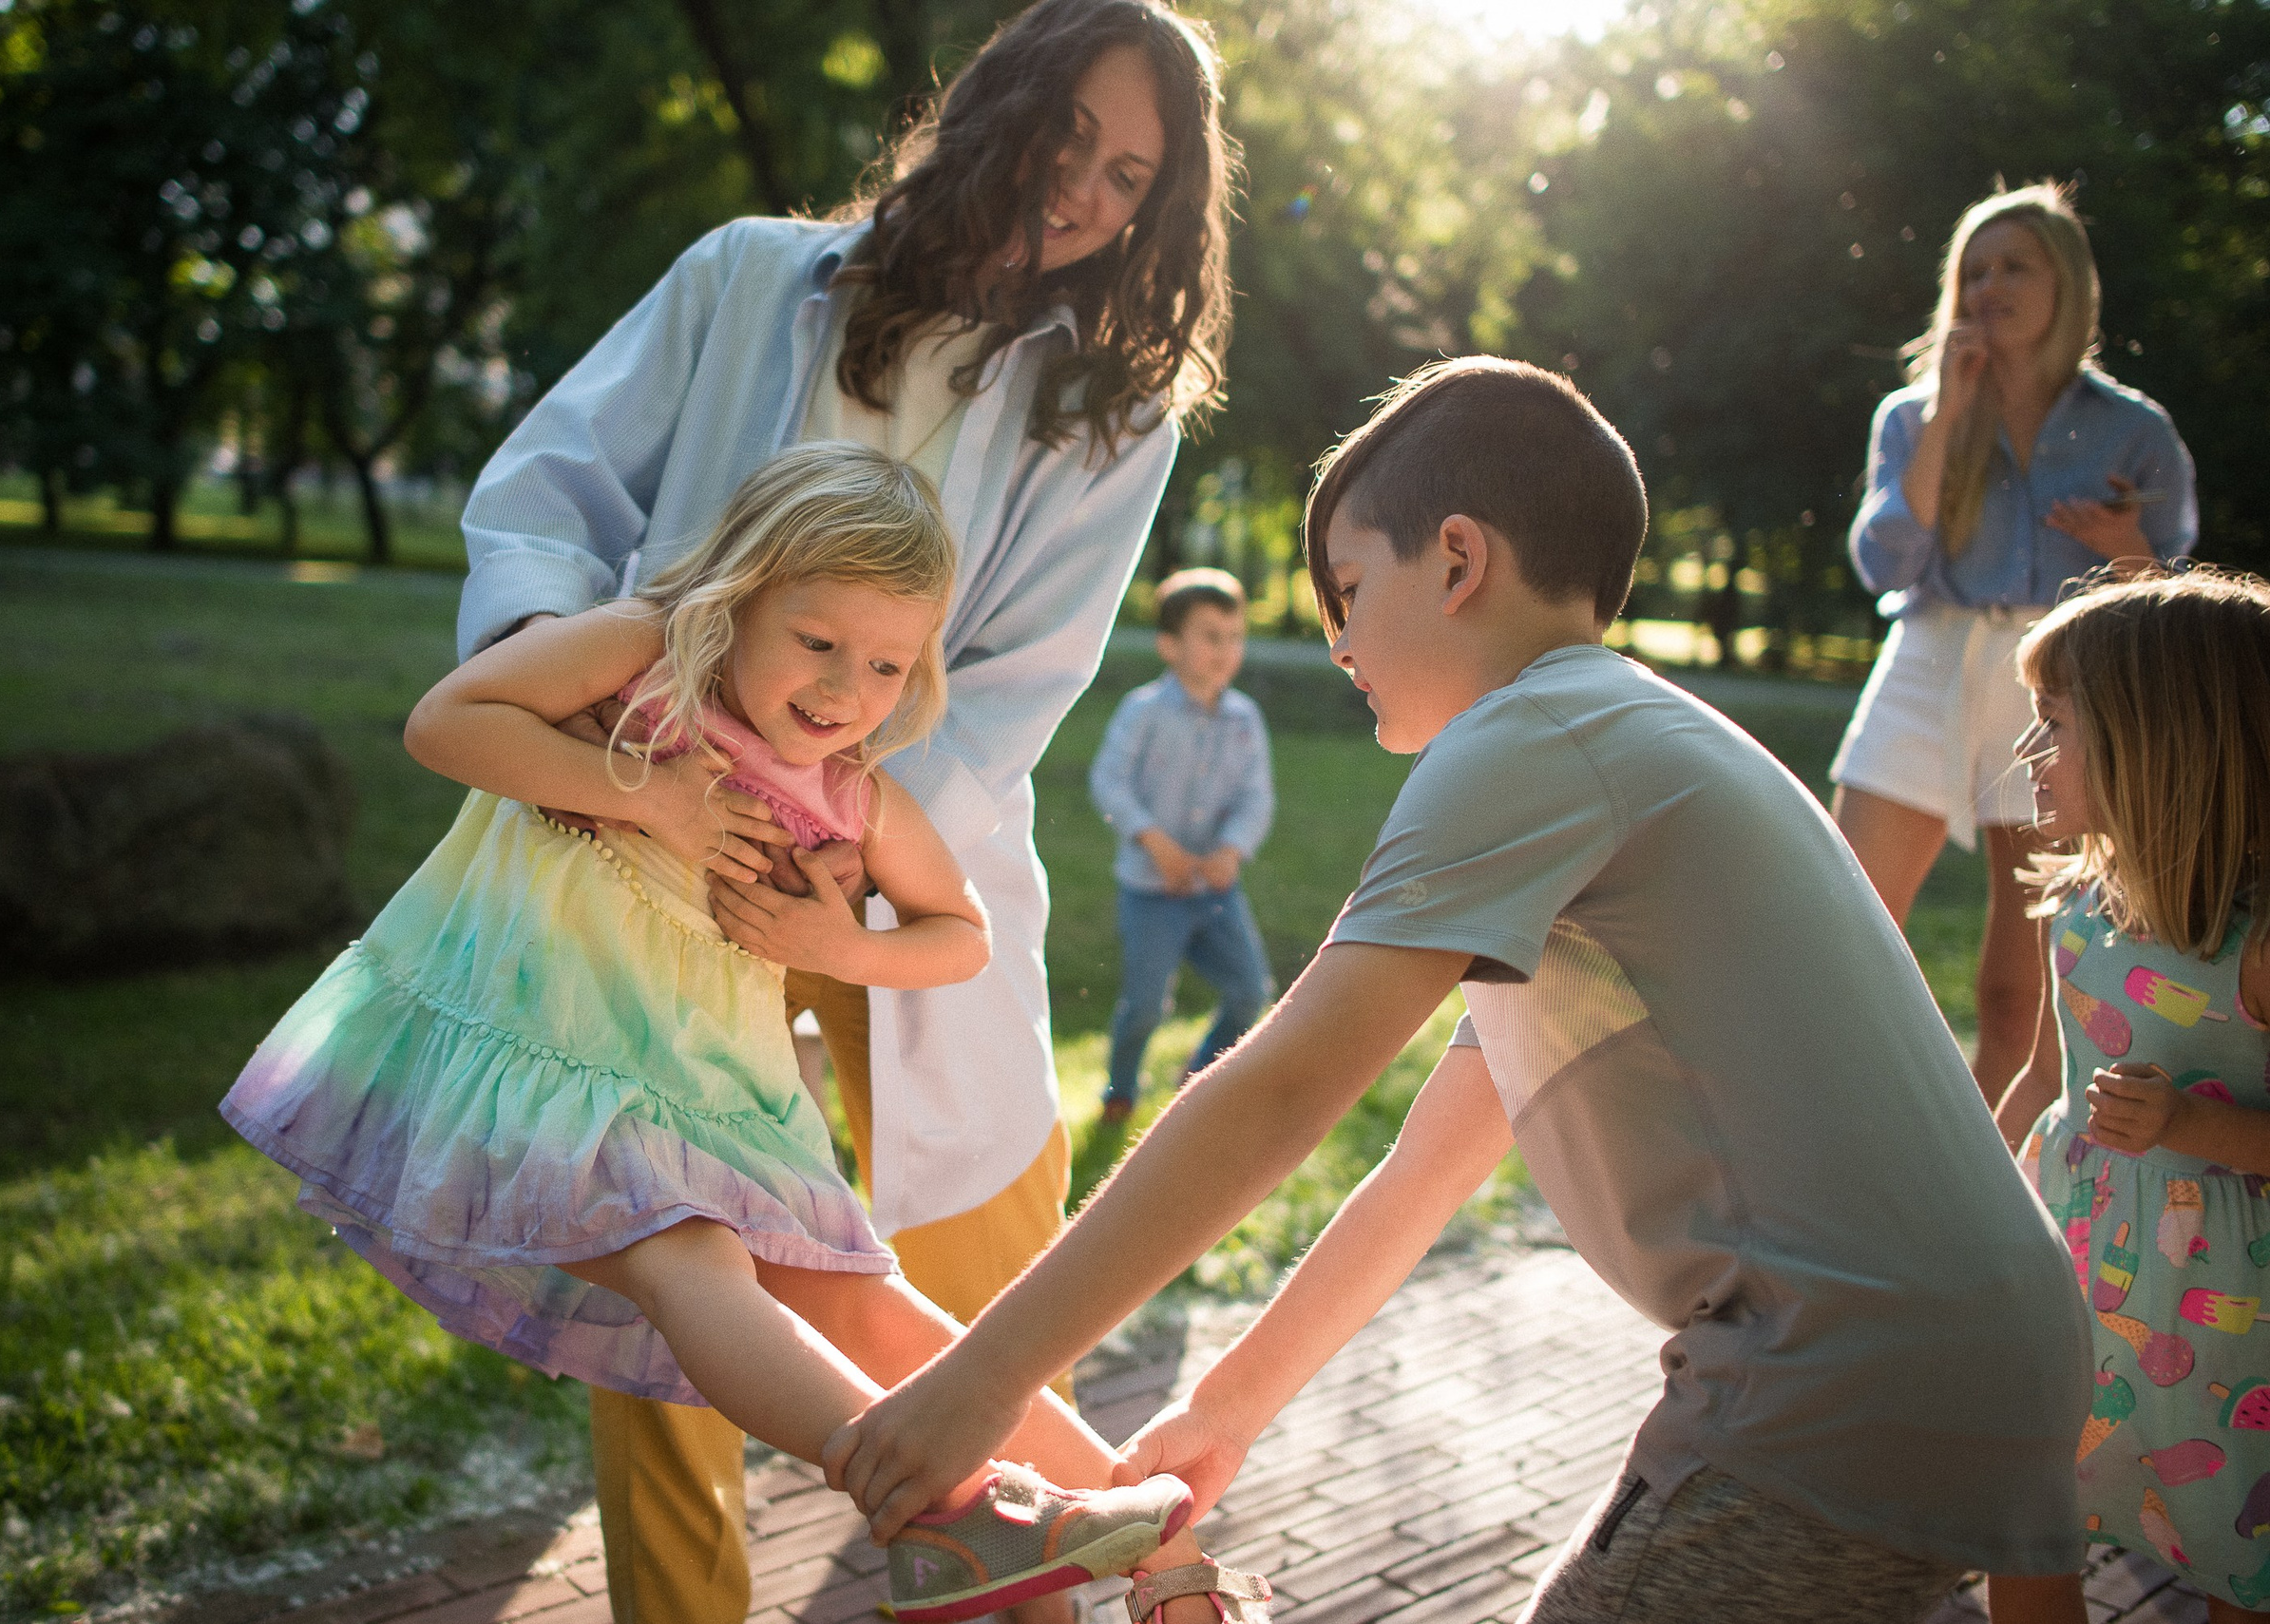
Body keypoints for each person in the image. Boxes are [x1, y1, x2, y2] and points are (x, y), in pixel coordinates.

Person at [821, 357, 2095, 1624]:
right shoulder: (1615, 746)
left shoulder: (1529, 737)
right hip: (1992, 1349)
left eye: (1351, 590)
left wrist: (981, 1382)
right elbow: (1426, 1167)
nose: (1336, 640)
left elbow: (1283, 1087)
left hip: (1835, 1379)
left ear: (1458, 559)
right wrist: (1226, 1406)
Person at [451, 3, 1233, 1614]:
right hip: (655, 845)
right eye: (1069, 136)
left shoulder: (1116, 409)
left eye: (1131, 176)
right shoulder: (751, 276)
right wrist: (606, 729)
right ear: (997, 109)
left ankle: (1083, 1550)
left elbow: (1020, 675)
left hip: (905, 871)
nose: (1084, 189)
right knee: (687, 1292)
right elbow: (551, 488)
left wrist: (835, 870)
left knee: (970, 1285)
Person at [220, 445, 1208, 1622]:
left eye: (888, 661)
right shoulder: (642, 659)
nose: (846, 686)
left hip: (709, 1098)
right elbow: (446, 721)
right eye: (818, 639)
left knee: (871, 1304)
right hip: (543, 1060)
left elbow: (959, 931)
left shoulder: (851, 794)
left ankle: (1142, 1535)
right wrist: (646, 790)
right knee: (693, 1259)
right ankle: (946, 1509)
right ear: (738, 596)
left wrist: (845, 949)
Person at [1835, 181, 2196, 1109]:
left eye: (2014, 266)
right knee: (1839, 931)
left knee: (2019, 991)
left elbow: (2166, 604)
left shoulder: (2133, 429)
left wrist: (2128, 550)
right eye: (1973, 269)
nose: (1989, 285)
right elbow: (1883, 561)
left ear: (2065, 284)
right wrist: (1949, 415)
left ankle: (1989, 1204)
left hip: (2058, 687)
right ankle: (1834, 1158)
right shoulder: (1910, 415)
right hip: (1924, 661)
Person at [1988, 567, 2270, 1624]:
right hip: (2074, 1288)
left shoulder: (2253, 947)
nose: (2028, 752)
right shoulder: (2077, 909)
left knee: (2238, 1562)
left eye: (2052, 722)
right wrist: (1970, 1197)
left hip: (2232, 1334)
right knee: (2021, 1521)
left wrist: (2193, 1124)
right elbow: (2041, 1077)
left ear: (2159, 739)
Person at [1091, 566, 1275, 1128]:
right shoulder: (1142, 711)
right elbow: (1109, 781)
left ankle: (1196, 1080)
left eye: (1235, 636)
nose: (1226, 649)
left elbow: (1255, 797)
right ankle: (1120, 1088)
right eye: (1210, 636)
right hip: (1151, 890)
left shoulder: (1245, 719)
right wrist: (1153, 841)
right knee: (1146, 1006)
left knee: (1250, 994)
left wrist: (1232, 849)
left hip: (1215, 889)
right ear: (1169, 646)